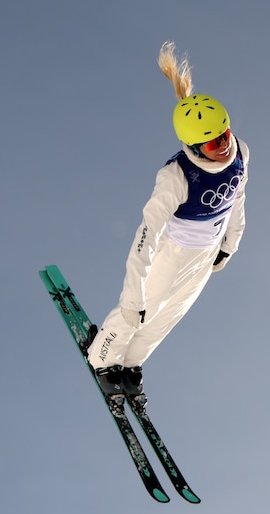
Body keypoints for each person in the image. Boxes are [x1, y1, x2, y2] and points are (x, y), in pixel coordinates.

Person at [86, 41, 250, 396]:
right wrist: (133, 295)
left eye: (223, 134)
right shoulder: (176, 177)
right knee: (141, 310)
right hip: (171, 251)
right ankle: (102, 356)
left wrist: (229, 245)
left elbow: (237, 199)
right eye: (211, 143)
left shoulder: (239, 153)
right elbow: (147, 233)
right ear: (192, 146)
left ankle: (129, 361)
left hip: (203, 255)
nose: (222, 145)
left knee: (170, 315)